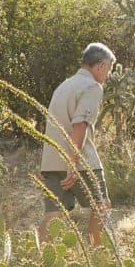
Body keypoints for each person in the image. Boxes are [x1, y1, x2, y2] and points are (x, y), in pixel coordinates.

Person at [40, 43, 115, 245]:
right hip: (80, 161)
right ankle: (97, 258)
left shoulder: (64, 85)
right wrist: (72, 164)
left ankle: (43, 265)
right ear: (100, 65)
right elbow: (79, 125)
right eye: (109, 69)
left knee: (52, 213)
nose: (108, 75)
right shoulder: (92, 87)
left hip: (51, 159)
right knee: (101, 205)